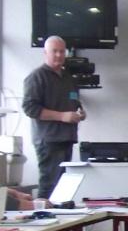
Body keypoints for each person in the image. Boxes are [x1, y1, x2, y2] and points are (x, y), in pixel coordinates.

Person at [22, 35, 86, 198]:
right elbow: (29, 108)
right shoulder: (36, 77)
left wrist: (80, 112)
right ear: (45, 53)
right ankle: (43, 212)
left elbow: (74, 101)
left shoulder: (68, 78)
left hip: (67, 138)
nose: (59, 55)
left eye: (62, 51)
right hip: (49, 140)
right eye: (54, 51)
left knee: (62, 185)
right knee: (49, 185)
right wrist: (62, 116)